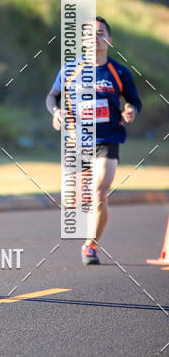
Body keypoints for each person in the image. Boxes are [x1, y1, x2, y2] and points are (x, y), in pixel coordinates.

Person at [46, 16, 142, 265]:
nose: (95, 37)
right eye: (90, 33)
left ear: (109, 40)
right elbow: (52, 98)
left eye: (101, 33)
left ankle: (90, 246)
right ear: (82, 40)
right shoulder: (69, 70)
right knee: (71, 200)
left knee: (99, 192)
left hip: (108, 138)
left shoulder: (119, 72)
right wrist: (56, 112)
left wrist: (131, 109)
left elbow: (134, 100)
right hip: (77, 140)